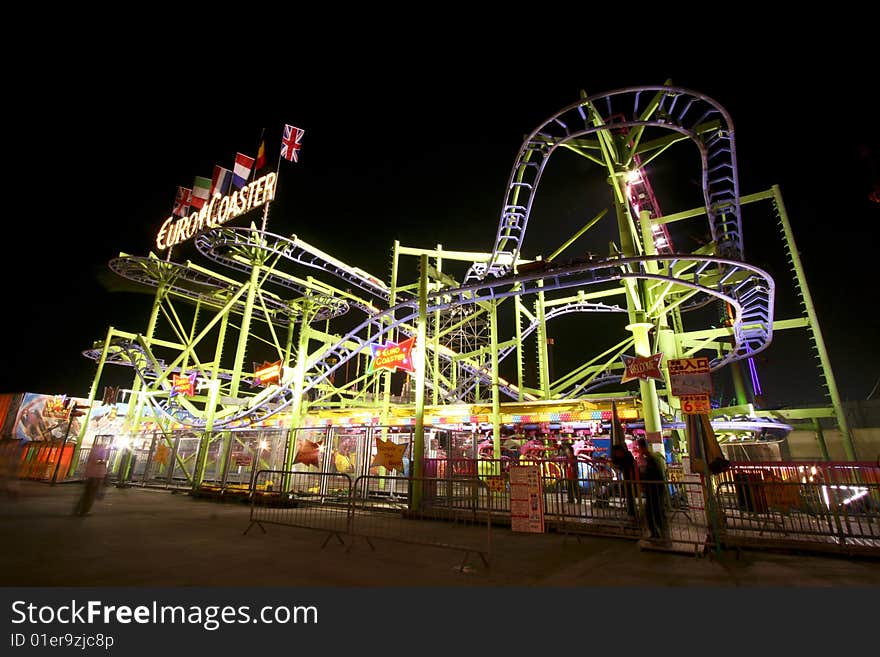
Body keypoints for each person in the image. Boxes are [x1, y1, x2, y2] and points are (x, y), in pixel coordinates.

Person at [637, 438, 668, 540]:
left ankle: (657, 532)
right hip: (657, 488)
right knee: (657, 510)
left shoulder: (649, 459)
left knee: (652, 511)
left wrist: (641, 470)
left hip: (654, 489)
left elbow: (650, 473)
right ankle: (661, 531)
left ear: (641, 447)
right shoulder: (654, 457)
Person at [73, 443, 109, 516]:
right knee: (91, 494)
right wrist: (103, 462)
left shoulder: (93, 453)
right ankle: (84, 511)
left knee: (87, 493)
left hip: (91, 475)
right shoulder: (100, 453)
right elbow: (98, 461)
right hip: (96, 476)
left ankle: (79, 509)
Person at [609, 443, 637, 518]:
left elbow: (630, 466)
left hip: (631, 478)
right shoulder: (620, 458)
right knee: (629, 495)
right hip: (627, 478)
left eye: (617, 453)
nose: (617, 454)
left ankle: (632, 512)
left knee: (630, 495)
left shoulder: (627, 456)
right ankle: (631, 512)